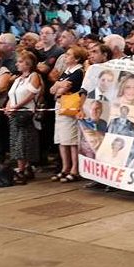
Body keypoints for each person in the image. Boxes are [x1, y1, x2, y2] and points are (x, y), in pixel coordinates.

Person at [50, 45, 86, 183]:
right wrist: (60, 86)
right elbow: (53, 90)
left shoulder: (78, 72)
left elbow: (66, 87)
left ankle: (74, 169)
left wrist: (60, 86)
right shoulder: (66, 71)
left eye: (69, 55)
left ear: (77, 58)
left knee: (71, 140)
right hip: (60, 107)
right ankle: (65, 167)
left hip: (69, 107)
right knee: (61, 139)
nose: (66, 56)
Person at [5, 50, 42, 183]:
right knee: (15, 141)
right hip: (15, 113)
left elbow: (31, 94)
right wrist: (9, 106)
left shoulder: (34, 76)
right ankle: (25, 167)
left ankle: (22, 169)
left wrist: (17, 106)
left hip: (25, 113)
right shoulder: (18, 79)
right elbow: (11, 95)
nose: (17, 64)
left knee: (23, 142)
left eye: (20, 61)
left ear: (28, 63)